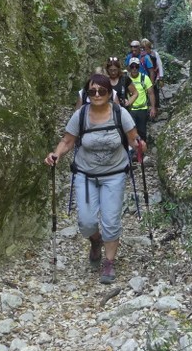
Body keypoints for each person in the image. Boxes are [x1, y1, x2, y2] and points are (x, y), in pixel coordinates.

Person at [44, 74, 145, 285]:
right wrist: (56, 154)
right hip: (85, 174)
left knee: (110, 221)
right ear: (87, 94)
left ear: (110, 92)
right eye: (92, 91)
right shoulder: (80, 115)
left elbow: (133, 138)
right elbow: (67, 140)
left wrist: (139, 146)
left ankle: (109, 262)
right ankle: (95, 240)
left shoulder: (120, 113)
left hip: (114, 175)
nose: (97, 95)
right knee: (86, 222)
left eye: (102, 91)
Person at [126, 58, 156, 142]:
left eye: (136, 66)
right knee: (131, 131)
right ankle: (133, 151)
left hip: (142, 109)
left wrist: (153, 108)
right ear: (129, 67)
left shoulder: (144, 78)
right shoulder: (126, 79)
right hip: (130, 109)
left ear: (139, 67)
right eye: (132, 66)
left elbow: (151, 93)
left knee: (142, 131)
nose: (134, 68)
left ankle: (141, 151)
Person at [141, 38, 164, 109]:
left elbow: (159, 65)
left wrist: (161, 76)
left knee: (154, 90)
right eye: (143, 48)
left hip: (154, 75)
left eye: (146, 48)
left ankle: (156, 106)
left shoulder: (155, 54)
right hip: (144, 76)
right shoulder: (141, 56)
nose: (145, 50)